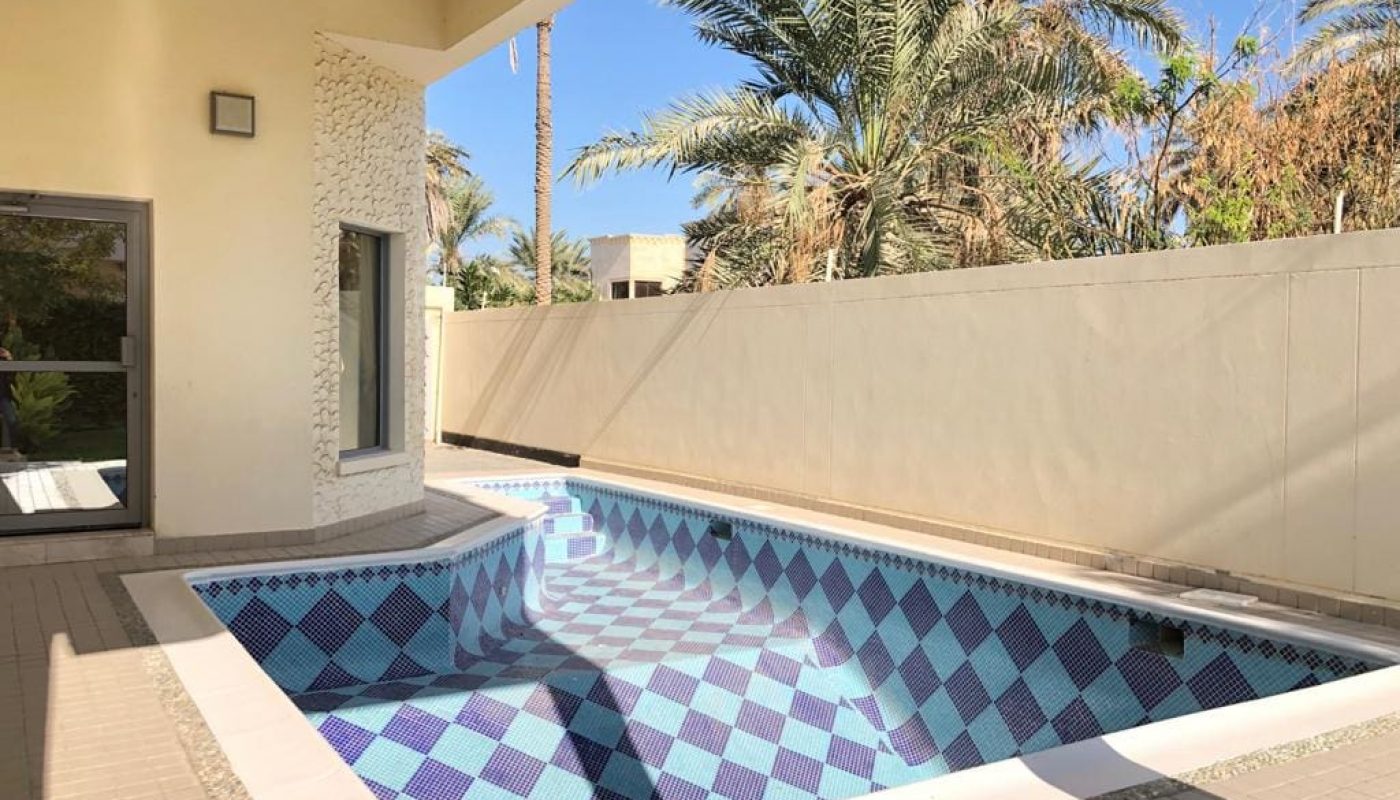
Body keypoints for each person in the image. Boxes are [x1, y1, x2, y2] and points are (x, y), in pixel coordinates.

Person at [0, 347, 18, 450]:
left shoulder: (3, 359)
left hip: (2, 397)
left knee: (12, 420)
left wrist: (9, 357)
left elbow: (12, 374)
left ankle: (12, 449)